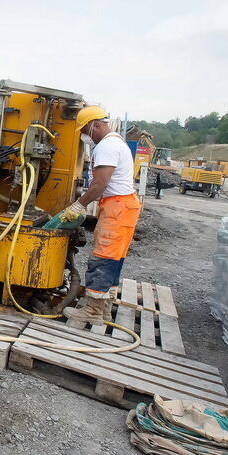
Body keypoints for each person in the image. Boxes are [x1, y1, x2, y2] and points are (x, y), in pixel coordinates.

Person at [59, 105, 142, 325]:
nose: (86, 136)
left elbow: (100, 184)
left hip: (117, 208)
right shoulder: (116, 143)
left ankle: (93, 311)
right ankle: (104, 309)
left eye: (86, 130)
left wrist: (78, 205)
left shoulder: (106, 146)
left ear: (95, 124)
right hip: (124, 207)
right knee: (114, 258)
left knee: (102, 258)